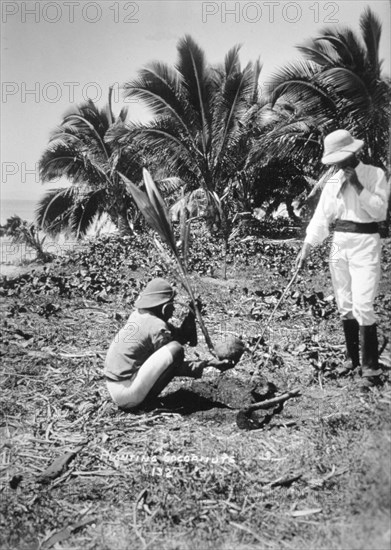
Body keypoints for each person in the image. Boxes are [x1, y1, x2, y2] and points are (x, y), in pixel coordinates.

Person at [296, 129, 390, 387]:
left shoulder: (374, 175)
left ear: (354, 152)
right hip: (339, 243)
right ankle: (352, 359)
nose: (341, 163)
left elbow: (380, 211)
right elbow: (321, 218)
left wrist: (358, 186)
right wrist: (307, 247)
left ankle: (370, 367)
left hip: (365, 241)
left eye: (344, 157)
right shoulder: (333, 182)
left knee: (363, 302)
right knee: (344, 301)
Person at [104, 278, 233, 410]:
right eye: (172, 305)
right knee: (176, 350)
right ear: (165, 307)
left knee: (174, 347)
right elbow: (174, 363)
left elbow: (182, 337)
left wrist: (191, 316)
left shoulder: (140, 315)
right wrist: (207, 363)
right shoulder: (156, 325)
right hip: (127, 394)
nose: (173, 309)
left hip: (115, 386)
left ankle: (142, 399)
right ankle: (146, 403)